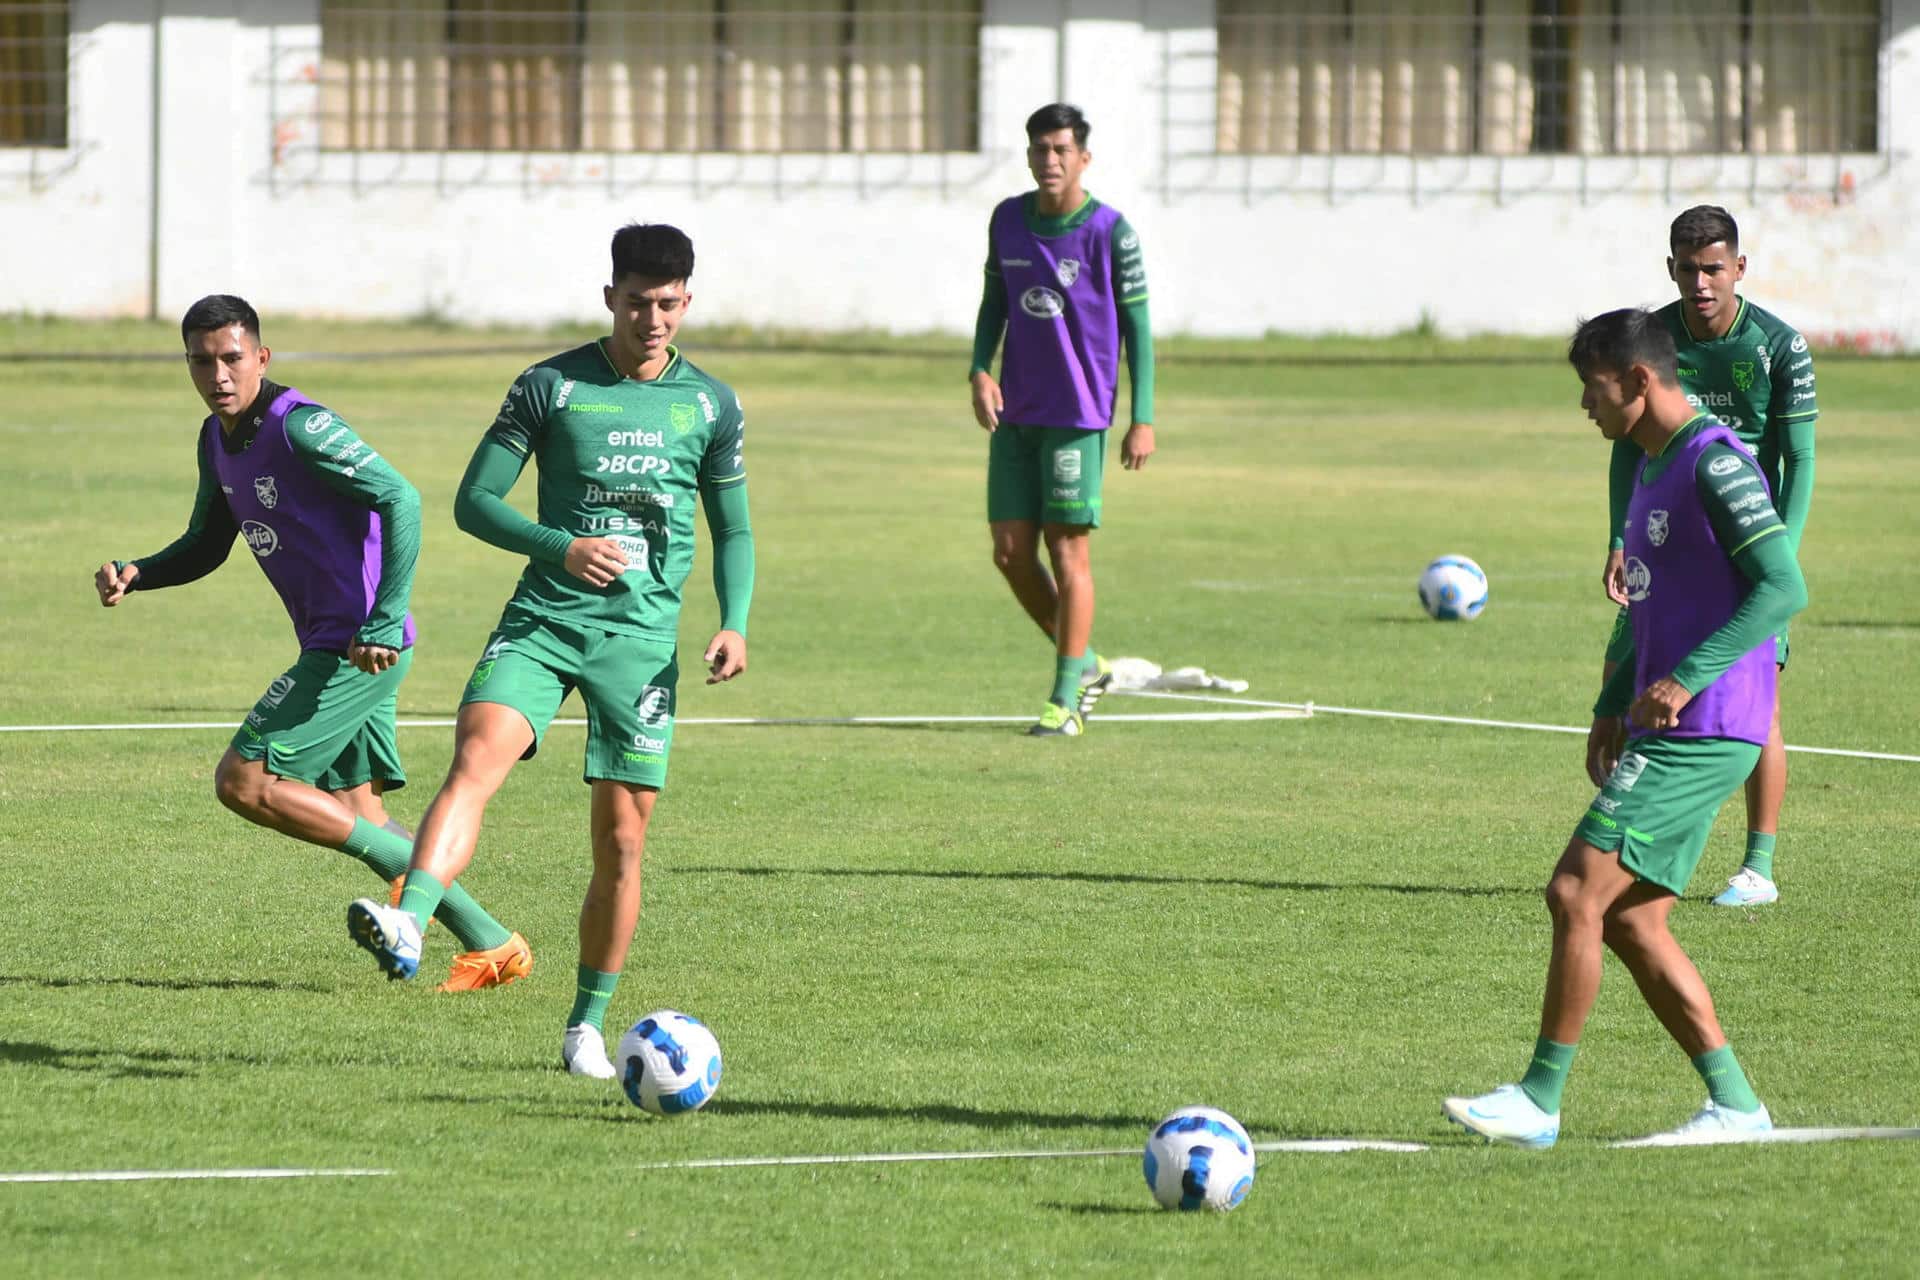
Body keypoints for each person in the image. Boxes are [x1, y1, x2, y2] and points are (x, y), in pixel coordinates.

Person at [345, 223, 754, 1079]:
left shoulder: (710, 405)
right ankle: (412, 919)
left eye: (670, 304)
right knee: (476, 757)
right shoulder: (550, 387)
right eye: (638, 302)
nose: (653, 319)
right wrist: (559, 546)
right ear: (610, 296)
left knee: (622, 843)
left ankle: (585, 1029)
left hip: (640, 646)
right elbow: (474, 501)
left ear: (689, 300)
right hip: (542, 619)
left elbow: (735, 529)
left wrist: (734, 619)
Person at [1445, 308, 1807, 1148]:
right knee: (1631, 919)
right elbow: (1651, 596)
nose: (1585, 406)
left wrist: (1684, 680)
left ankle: (1539, 1100)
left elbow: (1783, 585)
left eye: (1593, 388)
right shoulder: (1650, 464)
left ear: (1639, 382)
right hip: (1663, 720)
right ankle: (1737, 1107)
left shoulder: (1716, 464)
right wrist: (1614, 698)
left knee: (1574, 890)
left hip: (1710, 724)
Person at [95, 294, 527, 991]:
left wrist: (385, 618)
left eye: (232, 357)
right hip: (333, 645)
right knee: (362, 815)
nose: (219, 374)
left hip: (360, 649)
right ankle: (492, 942)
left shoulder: (306, 428)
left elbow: (403, 498)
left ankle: (443, 922)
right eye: (202, 362)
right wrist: (140, 573)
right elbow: (209, 542)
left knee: (246, 782)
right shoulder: (216, 439)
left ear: (261, 357)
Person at [1599, 206, 1817, 908]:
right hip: (1668, 540)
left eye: (1714, 268)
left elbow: (1799, 457)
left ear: (1739, 269)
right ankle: (1635, 834)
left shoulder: (1780, 346)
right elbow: (1627, 447)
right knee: (1624, 667)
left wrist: (1780, 549)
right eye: (1688, 268)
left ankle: (1759, 865)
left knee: (1761, 703)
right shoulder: (1654, 341)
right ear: (1671, 268)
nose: (1700, 282)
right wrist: (1616, 539)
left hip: (1749, 541)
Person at [968, 102, 1155, 737]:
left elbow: (1140, 331)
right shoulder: (1008, 221)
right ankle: (1088, 663)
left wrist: (1142, 416)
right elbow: (995, 302)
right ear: (1028, 156)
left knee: (1067, 548)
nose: (1049, 161)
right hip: (1016, 411)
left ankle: (1065, 697)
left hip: (1078, 414)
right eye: (1039, 150)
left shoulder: (1111, 232)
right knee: (1009, 553)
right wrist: (979, 368)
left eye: (1061, 150)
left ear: (1083, 158)